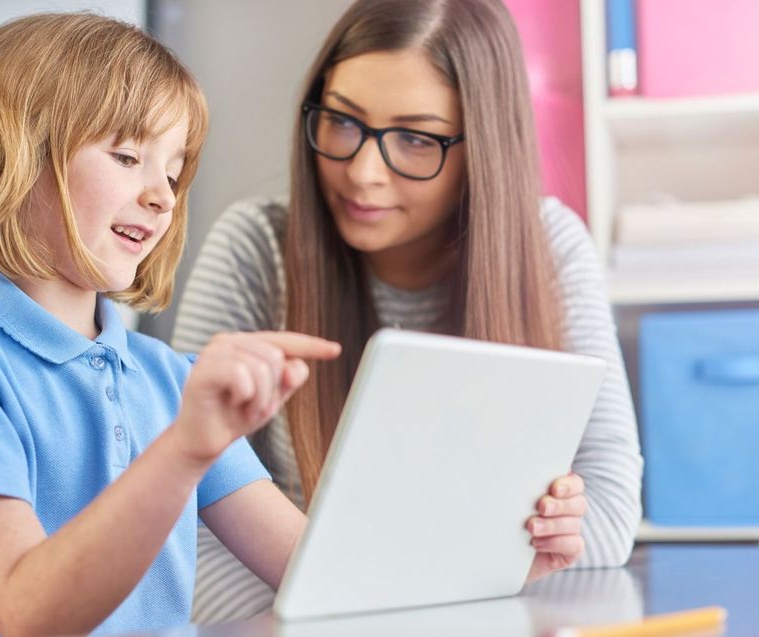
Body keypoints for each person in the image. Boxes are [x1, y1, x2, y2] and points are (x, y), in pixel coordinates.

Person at [172, 0, 643, 623]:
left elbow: (608, 515)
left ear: (484, 147)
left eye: (417, 139)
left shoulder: (550, 245)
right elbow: (181, 507)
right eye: (342, 121)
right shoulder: (255, 246)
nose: (362, 173)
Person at [0, 13, 341, 636]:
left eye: (173, 173)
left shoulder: (172, 382)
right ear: (16, 156)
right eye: (127, 156)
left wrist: (508, 555)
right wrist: (182, 452)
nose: (164, 196)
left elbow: (328, 578)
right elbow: (26, 612)